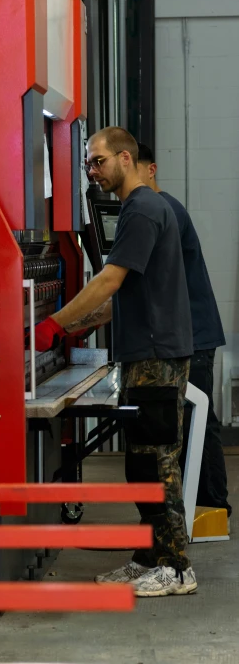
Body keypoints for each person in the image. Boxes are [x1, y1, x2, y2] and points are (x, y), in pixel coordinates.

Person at [34, 126, 197, 597]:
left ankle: (176, 567)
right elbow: (124, 294)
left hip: (156, 355)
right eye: (88, 163)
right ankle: (149, 558)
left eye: (98, 161)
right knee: (141, 465)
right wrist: (85, 324)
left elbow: (109, 279)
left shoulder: (143, 208)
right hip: (144, 352)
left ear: (126, 159)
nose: (92, 171)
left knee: (157, 463)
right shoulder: (140, 208)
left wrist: (56, 325)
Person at [137, 143, 230, 517]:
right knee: (198, 422)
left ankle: (212, 506)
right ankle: (207, 504)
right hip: (189, 332)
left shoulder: (165, 210)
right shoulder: (162, 208)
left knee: (200, 423)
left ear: (150, 169)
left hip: (194, 335)